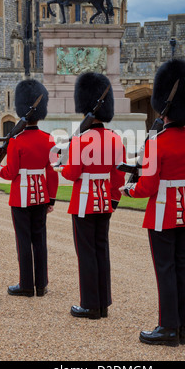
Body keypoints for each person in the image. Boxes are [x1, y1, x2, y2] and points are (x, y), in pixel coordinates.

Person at [120, 59, 185, 346]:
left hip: (162, 215)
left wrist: (128, 190)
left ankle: (168, 328)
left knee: (166, 270)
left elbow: (148, 186)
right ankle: (183, 327)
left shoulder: (156, 142)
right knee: (183, 267)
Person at [60, 72, 126, 319]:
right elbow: (119, 175)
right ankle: (104, 303)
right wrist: (114, 200)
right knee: (102, 251)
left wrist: (61, 166)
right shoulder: (116, 139)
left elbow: (72, 173)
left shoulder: (80, 140)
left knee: (86, 253)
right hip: (106, 202)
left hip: (84, 202)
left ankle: (90, 305)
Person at [0, 79, 59, 297]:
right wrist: (51, 200)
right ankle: (42, 285)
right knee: (40, 241)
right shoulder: (50, 139)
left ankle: (26, 284)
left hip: (20, 198)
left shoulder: (16, 141)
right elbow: (52, 173)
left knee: (23, 242)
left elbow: (10, 173)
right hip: (41, 197)